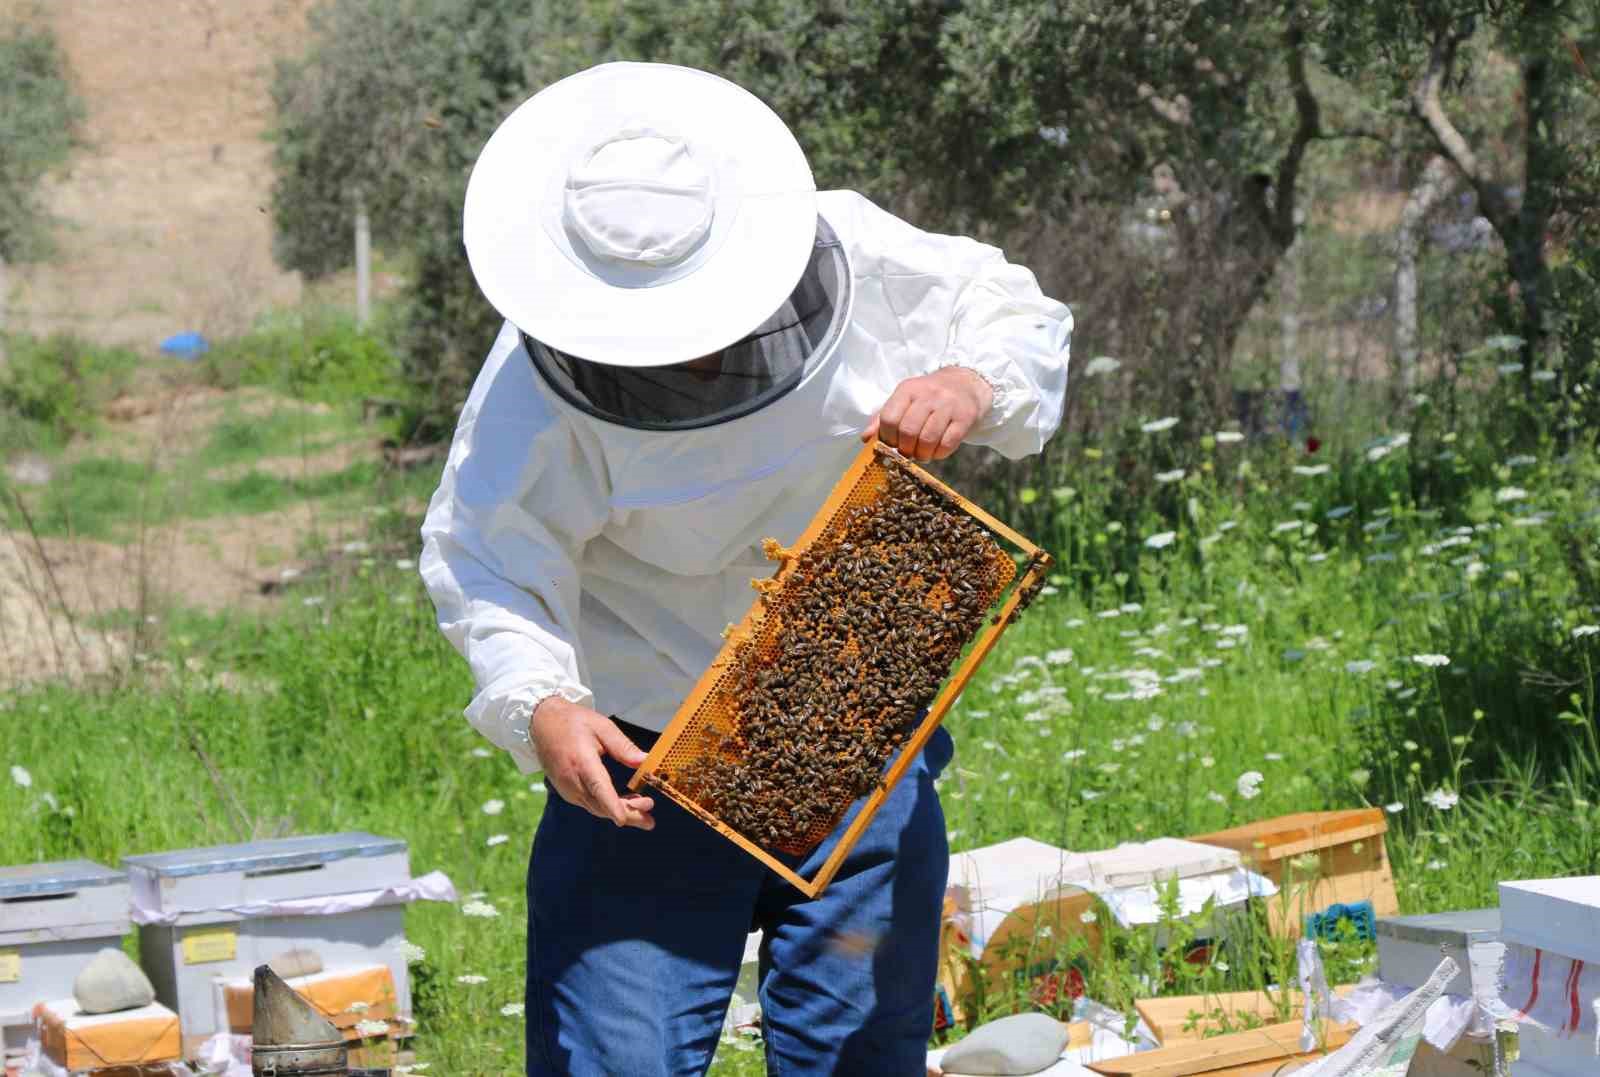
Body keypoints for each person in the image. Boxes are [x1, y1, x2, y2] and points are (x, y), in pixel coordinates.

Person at [419, 61, 1072, 1077]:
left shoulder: (857, 249)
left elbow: (1018, 316)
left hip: (854, 723)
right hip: (643, 767)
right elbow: (485, 553)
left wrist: (965, 381)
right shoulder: (534, 381)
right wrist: (536, 702)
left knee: (860, 1054)